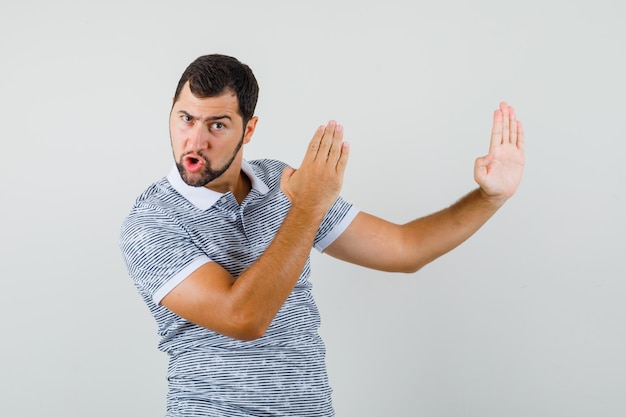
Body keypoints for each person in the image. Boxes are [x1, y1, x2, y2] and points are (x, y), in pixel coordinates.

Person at [120, 53, 525, 417]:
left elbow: (405, 249)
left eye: (218, 125)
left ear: (248, 130)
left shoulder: (281, 184)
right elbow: (243, 318)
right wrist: (308, 207)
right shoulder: (152, 221)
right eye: (186, 118)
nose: (195, 140)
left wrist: (489, 198)